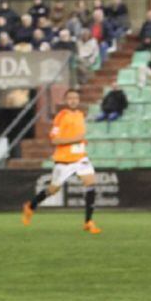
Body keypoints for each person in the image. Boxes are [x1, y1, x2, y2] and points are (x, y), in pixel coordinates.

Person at [21, 88, 101, 234]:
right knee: (53, 189)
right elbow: (55, 140)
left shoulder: (80, 115)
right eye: (70, 98)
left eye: (76, 98)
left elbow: (79, 137)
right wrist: (75, 140)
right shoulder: (61, 116)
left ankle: (88, 222)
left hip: (80, 158)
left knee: (91, 184)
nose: (73, 100)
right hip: (64, 161)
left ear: (79, 100)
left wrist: (82, 143)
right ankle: (30, 206)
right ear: (65, 100)